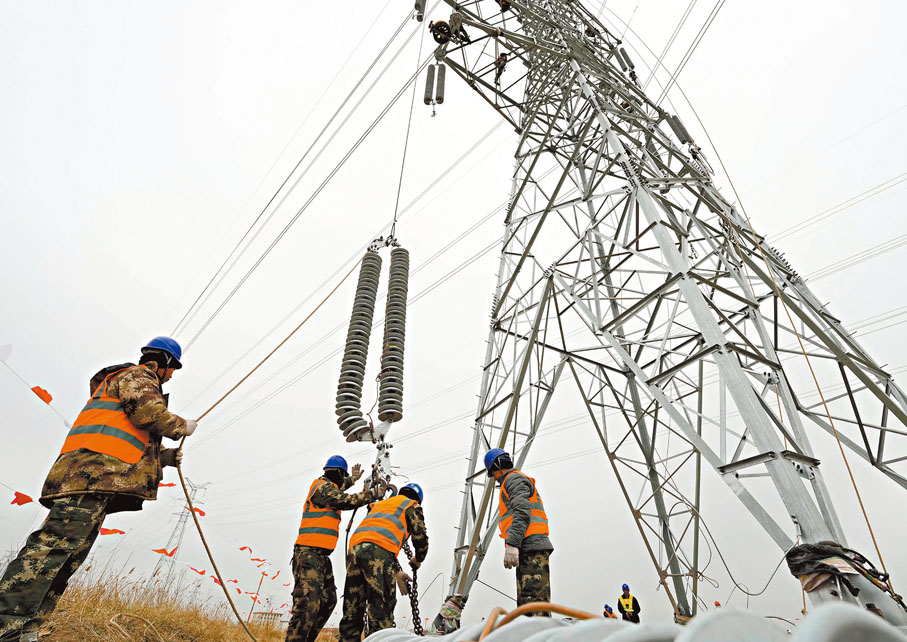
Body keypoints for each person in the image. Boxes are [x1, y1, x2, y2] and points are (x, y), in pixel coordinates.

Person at [0, 337, 197, 642]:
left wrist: (163, 459)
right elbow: (148, 415)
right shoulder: (138, 375)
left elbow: (131, 435)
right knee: (52, 550)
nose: (171, 377)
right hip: (90, 474)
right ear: (162, 363)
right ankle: (6, 626)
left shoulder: (125, 383)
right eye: (172, 370)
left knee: (68, 556)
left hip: (99, 477)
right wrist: (182, 426)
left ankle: (29, 628)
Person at [286, 456, 383, 642]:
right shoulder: (320, 487)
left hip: (321, 557)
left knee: (328, 600)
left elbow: (340, 487)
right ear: (337, 473)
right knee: (307, 605)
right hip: (308, 554)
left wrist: (353, 479)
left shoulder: (329, 486)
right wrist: (373, 493)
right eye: (343, 476)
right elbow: (343, 499)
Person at [339, 483, 428, 642]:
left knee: (353, 608)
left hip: (354, 550)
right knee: (380, 609)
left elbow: (376, 536)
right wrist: (418, 559)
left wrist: (395, 571)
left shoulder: (380, 505)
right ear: (418, 500)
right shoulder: (411, 505)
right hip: (379, 551)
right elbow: (420, 537)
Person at [484, 448, 553, 614]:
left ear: (496, 468)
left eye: (493, 473)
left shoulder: (512, 480)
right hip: (530, 547)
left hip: (531, 547)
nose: (494, 478)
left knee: (533, 606)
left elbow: (522, 511)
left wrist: (512, 544)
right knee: (529, 605)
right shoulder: (514, 480)